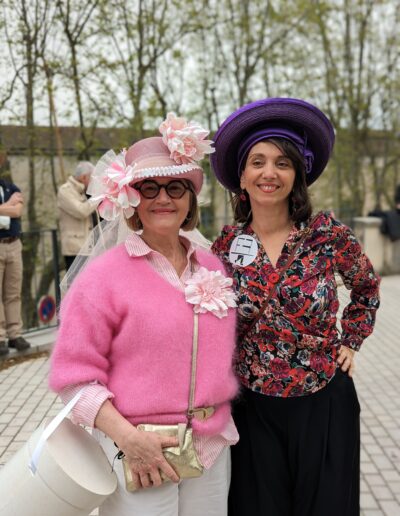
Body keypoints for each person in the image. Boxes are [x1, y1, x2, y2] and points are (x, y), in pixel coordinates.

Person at [49, 113, 238, 516]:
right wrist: (128, 439)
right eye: (148, 188)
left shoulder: (213, 267)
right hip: (139, 451)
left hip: (211, 449)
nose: (163, 198)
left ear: (190, 199)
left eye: (175, 187)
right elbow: (73, 379)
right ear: (131, 200)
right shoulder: (103, 277)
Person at [210, 98, 380, 516]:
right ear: (242, 177)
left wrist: (351, 340)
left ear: (297, 175)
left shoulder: (327, 235)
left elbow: (366, 287)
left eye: (283, 163)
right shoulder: (226, 247)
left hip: (323, 399)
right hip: (252, 407)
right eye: (258, 162)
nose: (270, 173)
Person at [0, 177, 30, 355]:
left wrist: (10, 207)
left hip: (13, 244)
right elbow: (12, 210)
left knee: (13, 293)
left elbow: (18, 212)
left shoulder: (12, 187)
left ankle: (15, 334)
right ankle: (0, 337)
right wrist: (8, 206)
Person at [57, 161, 98, 271]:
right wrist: (99, 197)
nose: (93, 182)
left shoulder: (85, 191)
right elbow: (82, 211)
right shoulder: (65, 191)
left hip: (89, 247)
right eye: (92, 178)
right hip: (75, 249)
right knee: (75, 285)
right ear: (84, 177)